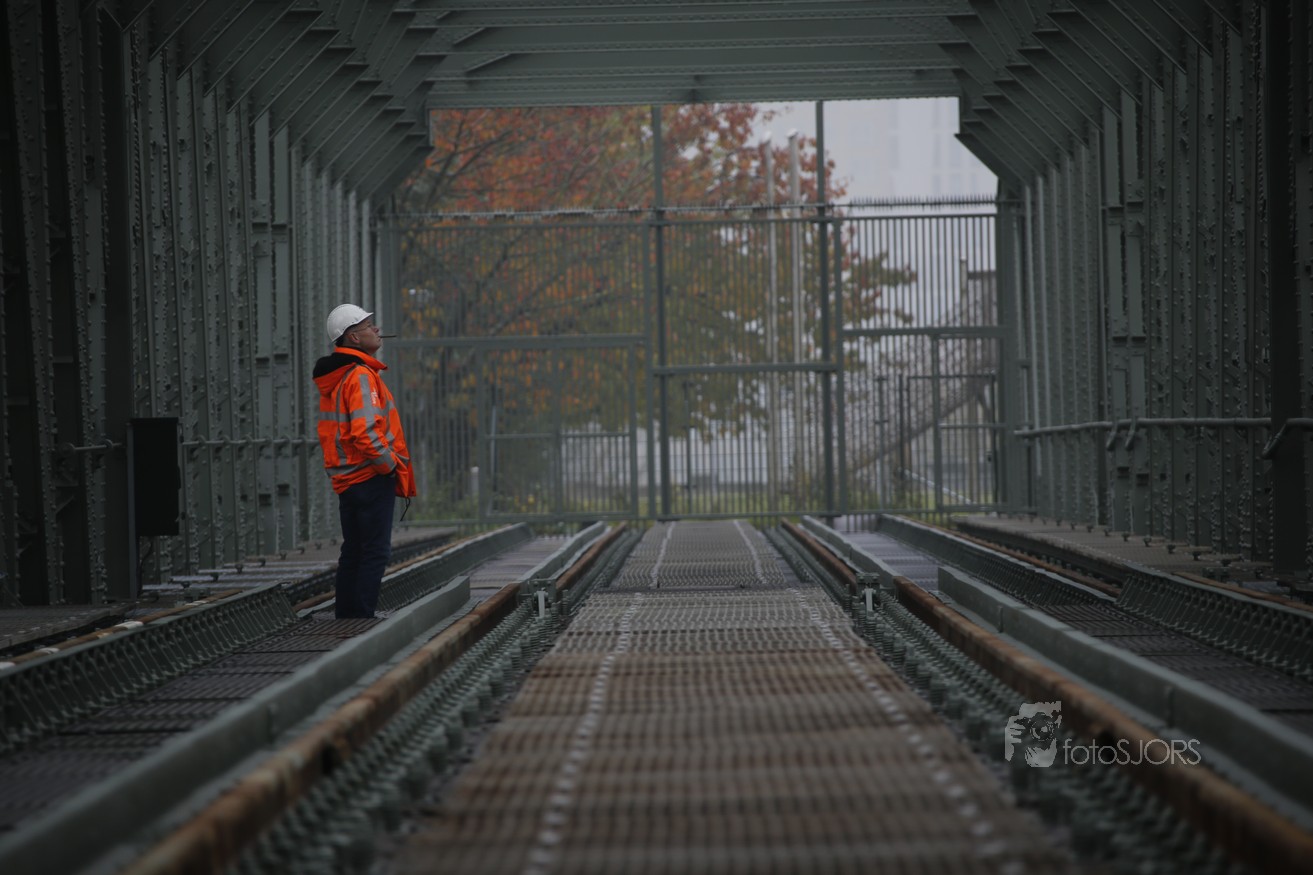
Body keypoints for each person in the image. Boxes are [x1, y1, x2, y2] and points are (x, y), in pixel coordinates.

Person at [313, 304, 416, 618]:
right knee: (374, 551)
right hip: (369, 476)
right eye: (369, 326)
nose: (377, 329)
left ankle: (346, 617)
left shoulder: (338, 376)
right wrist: (389, 466)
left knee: (354, 551)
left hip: (348, 478)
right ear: (354, 338)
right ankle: (360, 618)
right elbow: (365, 431)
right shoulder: (360, 375)